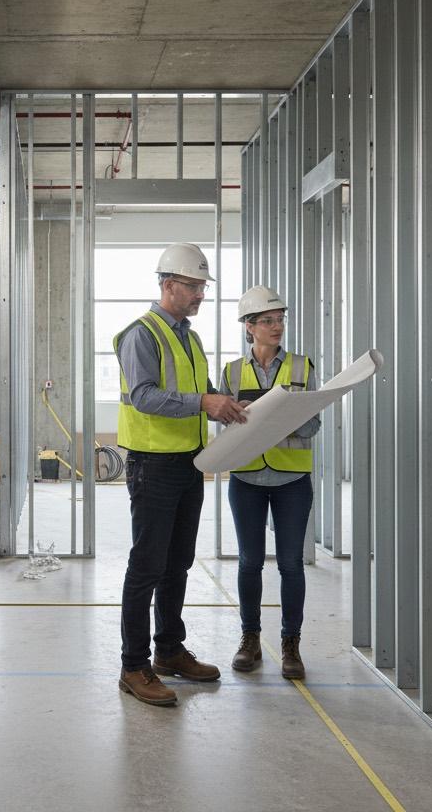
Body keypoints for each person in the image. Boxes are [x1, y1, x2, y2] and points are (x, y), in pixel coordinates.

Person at [113, 243, 248, 706]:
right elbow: (144, 396)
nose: (200, 295)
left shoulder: (189, 338)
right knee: (147, 566)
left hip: (190, 462)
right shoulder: (141, 335)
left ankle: (169, 650)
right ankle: (134, 666)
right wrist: (204, 402)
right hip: (152, 465)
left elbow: (198, 392)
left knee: (177, 564)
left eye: (202, 287)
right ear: (168, 284)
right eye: (193, 286)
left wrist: (224, 405)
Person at [221, 285, 319, 680]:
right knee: (250, 562)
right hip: (246, 476)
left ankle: (291, 644)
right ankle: (250, 639)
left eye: (280, 320)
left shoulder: (302, 367)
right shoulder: (231, 372)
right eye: (267, 321)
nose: (276, 326)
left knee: (291, 564)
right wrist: (237, 415)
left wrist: (281, 419)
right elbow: (223, 425)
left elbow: (313, 424)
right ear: (249, 326)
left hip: (292, 478)